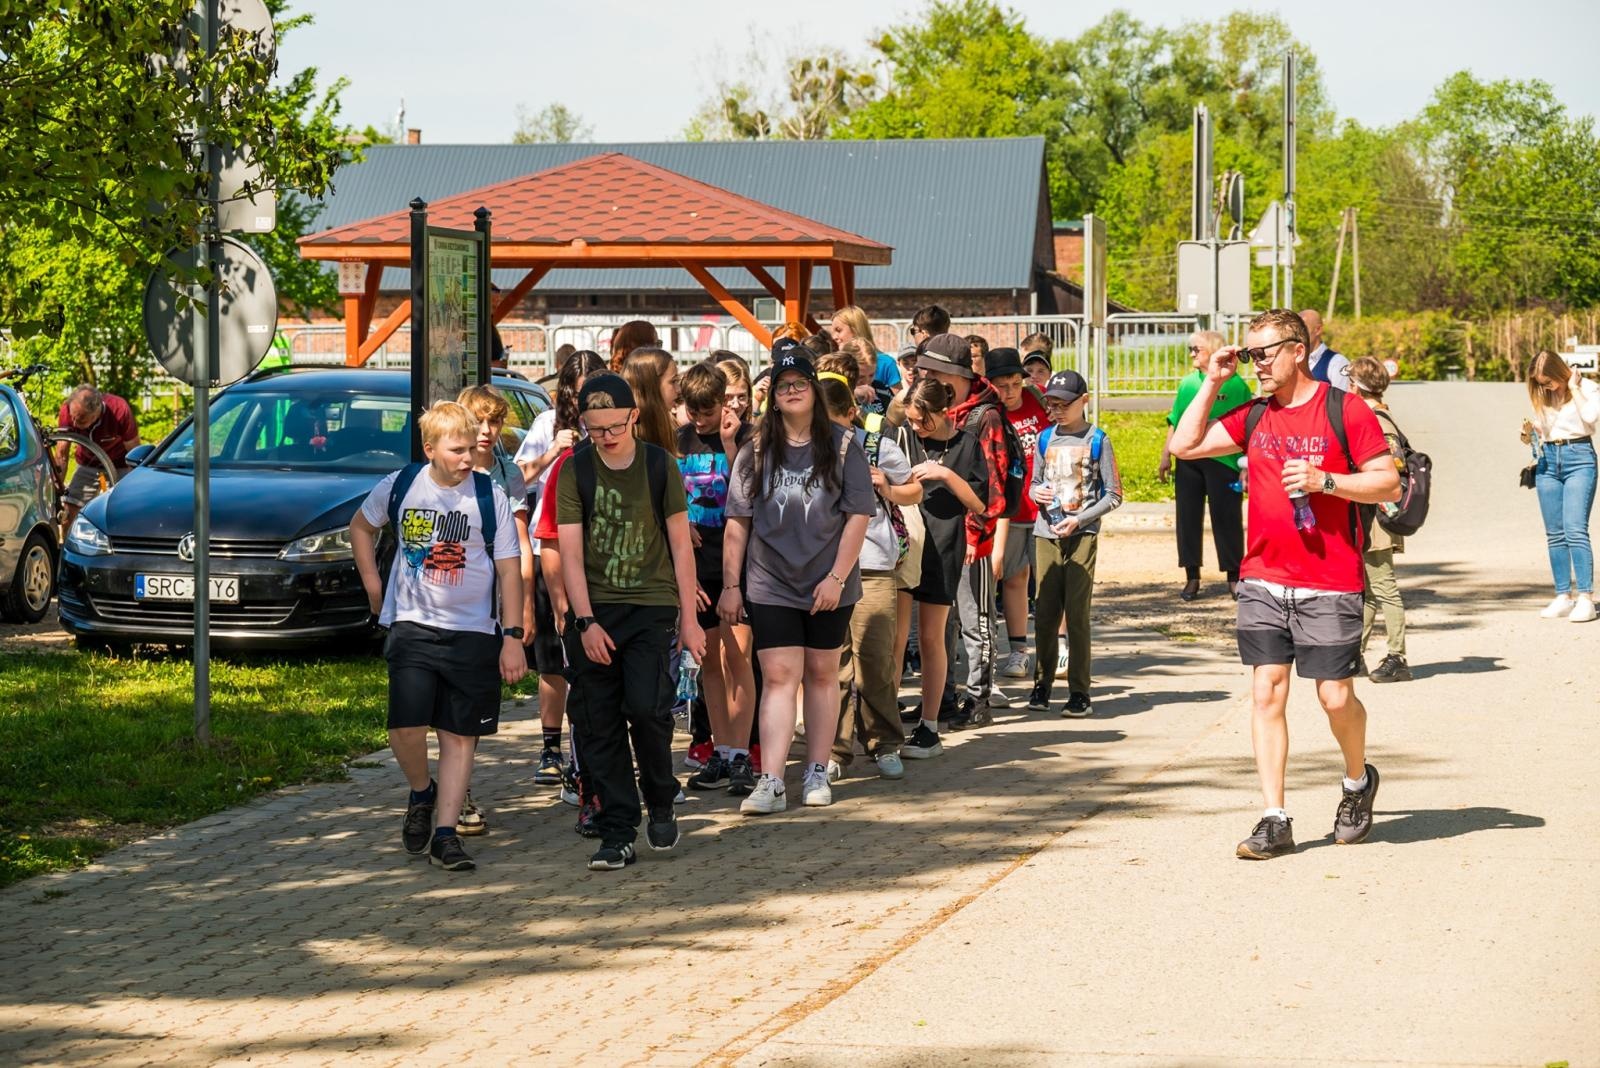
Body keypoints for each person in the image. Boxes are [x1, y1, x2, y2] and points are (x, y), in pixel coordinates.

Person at [1170, 308, 1401, 861]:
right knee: (1266, 691)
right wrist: (1214, 381)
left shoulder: (1344, 410)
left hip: (1329, 578)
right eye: (1250, 355)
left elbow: (1387, 480)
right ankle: (1275, 817)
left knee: (1334, 696)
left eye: (1265, 353)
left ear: (1298, 350)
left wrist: (1328, 481)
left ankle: (1355, 781)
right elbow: (1183, 445)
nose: (1258, 364)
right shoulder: (1253, 416)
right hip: (1263, 578)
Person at [351, 401, 526, 872]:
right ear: (430, 449)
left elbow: (510, 571)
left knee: (459, 733)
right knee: (404, 727)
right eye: (457, 450)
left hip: (473, 630)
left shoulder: (490, 496)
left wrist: (512, 635)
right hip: (412, 623)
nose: (468, 458)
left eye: (472, 448)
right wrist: (373, 585)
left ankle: (446, 835)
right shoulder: (402, 485)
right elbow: (361, 528)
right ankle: (421, 792)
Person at [557, 373, 705, 870]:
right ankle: (618, 830)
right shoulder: (574, 471)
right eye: (594, 429)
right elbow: (571, 556)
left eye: (614, 426)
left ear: (634, 417)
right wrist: (585, 622)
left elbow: (681, 545)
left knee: (646, 708)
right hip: (595, 611)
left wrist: (690, 621)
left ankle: (659, 796)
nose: (605, 437)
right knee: (599, 724)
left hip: (651, 606)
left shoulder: (660, 465)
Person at [720, 341, 874, 813]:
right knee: (780, 676)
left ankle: (816, 769)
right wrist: (731, 586)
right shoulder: (755, 448)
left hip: (830, 580)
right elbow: (738, 520)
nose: (791, 391)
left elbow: (857, 516)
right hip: (771, 580)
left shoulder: (845, 445)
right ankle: (771, 780)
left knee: (824, 674)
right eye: (783, 385)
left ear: (813, 390)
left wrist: (836, 577)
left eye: (799, 384)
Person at [815, 355, 922, 782]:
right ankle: (836, 750)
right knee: (833, 663)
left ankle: (884, 742)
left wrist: (889, 487)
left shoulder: (877, 444)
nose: (830, 432)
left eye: (835, 422)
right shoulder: (805, 449)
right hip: (823, 569)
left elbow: (916, 491)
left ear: (851, 413)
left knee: (875, 658)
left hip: (873, 564)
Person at [514, 350, 607, 789]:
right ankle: (551, 747)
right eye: (577, 386)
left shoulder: (613, 423)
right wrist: (553, 451)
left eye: (593, 384)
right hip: (546, 547)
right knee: (553, 658)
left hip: (595, 555)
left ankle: (591, 746)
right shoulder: (546, 424)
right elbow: (516, 482)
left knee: (592, 656)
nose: (583, 395)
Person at [456, 385, 536, 835]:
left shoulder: (508, 475)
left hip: (492, 603)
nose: (487, 431)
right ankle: (448, 792)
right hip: (450, 600)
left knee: (473, 706)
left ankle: (459, 792)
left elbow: (522, 547)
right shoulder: (444, 471)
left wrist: (521, 611)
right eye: (479, 421)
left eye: (494, 422)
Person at [919, 333, 1010, 729]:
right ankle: (942, 697)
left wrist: (978, 534)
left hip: (975, 538)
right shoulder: (939, 410)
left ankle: (979, 697)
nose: (923, 378)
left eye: (931, 372)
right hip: (938, 535)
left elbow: (992, 484)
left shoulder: (984, 416)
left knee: (977, 622)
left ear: (953, 375)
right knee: (944, 624)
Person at [676, 362, 760, 795]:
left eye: (707, 410)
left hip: (736, 559)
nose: (700, 419)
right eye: (693, 410)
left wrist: (728, 442)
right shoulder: (680, 440)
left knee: (738, 655)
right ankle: (722, 751)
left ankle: (743, 751)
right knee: (709, 658)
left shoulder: (744, 436)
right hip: (696, 560)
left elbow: (748, 492)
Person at [902, 377, 991, 756]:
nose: (917, 428)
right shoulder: (904, 437)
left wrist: (946, 474)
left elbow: (980, 504)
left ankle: (930, 724)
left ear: (942, 412)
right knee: (896, 639)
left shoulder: (967, 444)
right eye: (911, 421)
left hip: (944, 546)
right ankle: (887, 723)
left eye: (924, 422)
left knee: (931, 637)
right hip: (906, 544)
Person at [1028, 370, 1123, 717]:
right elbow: (1034, 482)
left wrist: (1081, 519)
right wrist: (1035, 493)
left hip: (1081, 535)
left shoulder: (1098, 440)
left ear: (1083, 400)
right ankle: (1042, 683)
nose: (1057, 411)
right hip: (1045, 533)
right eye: (1051, 405)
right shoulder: (1044, 439)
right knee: (1044, 614)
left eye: (1065, 404)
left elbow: (1113, 495)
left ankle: (1079, 691)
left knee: (1077, 614)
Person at [1158, 330, 1252, 601]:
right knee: (1187, 517)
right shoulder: (1188, 383)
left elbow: (1247, 425)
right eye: (1191, 349)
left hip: (1223, 460)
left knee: (1227, 518)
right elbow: (1175, 420)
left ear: (1212, 350)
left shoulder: (1236, 385)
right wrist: (1166, 455)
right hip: (1188, 460)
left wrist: (1246, 463)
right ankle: (1192, 576)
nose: (1192, 354)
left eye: (1196, 349)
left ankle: (1234, 576)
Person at [984, 348, 1051, 681]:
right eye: (1003, 385)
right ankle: (1018, 651)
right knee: (1013, 578)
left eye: (1015, 383)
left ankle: (1060, 647)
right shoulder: (989, 413)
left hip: (1045, 507)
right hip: (1008, 511)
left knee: (1050, 581)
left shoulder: (1038, 402)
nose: (1010, 391)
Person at [1346, 358, 1413, 680]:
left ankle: (1397, 657)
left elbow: (1392, 471)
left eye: (1350, 384)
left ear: (1357, 387)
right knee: (1369, 589)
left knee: (1384, 587)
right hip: (1367, 511)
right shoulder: (1372, 416)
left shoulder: (1378, 422)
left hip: (1379, 515)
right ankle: (1355, 653)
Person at [1523, 349, 1599, 622]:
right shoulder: (1543, 394)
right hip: (1548, 460)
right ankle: (1562, 595)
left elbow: (1591, 418)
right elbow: (1546, 428)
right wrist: (1532, 432)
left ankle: (1585, 598)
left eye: (1549, 381)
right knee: (1554, 532)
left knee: (1575, 529)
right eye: (1541, 383)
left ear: (1559, 372)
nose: (1546, 386)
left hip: (1579, 458)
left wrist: (1574, 388)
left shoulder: (1587, 387)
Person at [55, 385, 140, 530]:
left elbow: (135, 453)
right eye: (73, 417)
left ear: (96, 414)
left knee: (124, 508)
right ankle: (68, 548)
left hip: (119, 463)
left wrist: (135, 486)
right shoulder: (67, 410)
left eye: (81, 420)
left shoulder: (119, 410)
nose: (74, 423)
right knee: (70, 507)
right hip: (87, 463)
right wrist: (57, 487)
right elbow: (62, 454)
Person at [828, 305, 904, 393]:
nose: (834, 337)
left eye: (839, 330)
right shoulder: (834, 364)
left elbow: (898, 402)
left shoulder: (885, 363)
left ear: (855, 329)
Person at [619, 347, 681, 453]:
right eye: (673, 381)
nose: (678, 389)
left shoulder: (672, 429)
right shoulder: (620, 436)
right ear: (651, 386)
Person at [1298, 310, 1350, 391]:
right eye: (1295, 328)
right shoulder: (1294, 361)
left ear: (1318, 330)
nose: (1298, 333)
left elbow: (1341, 400)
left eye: (1303, 328)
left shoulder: (1338, 363)